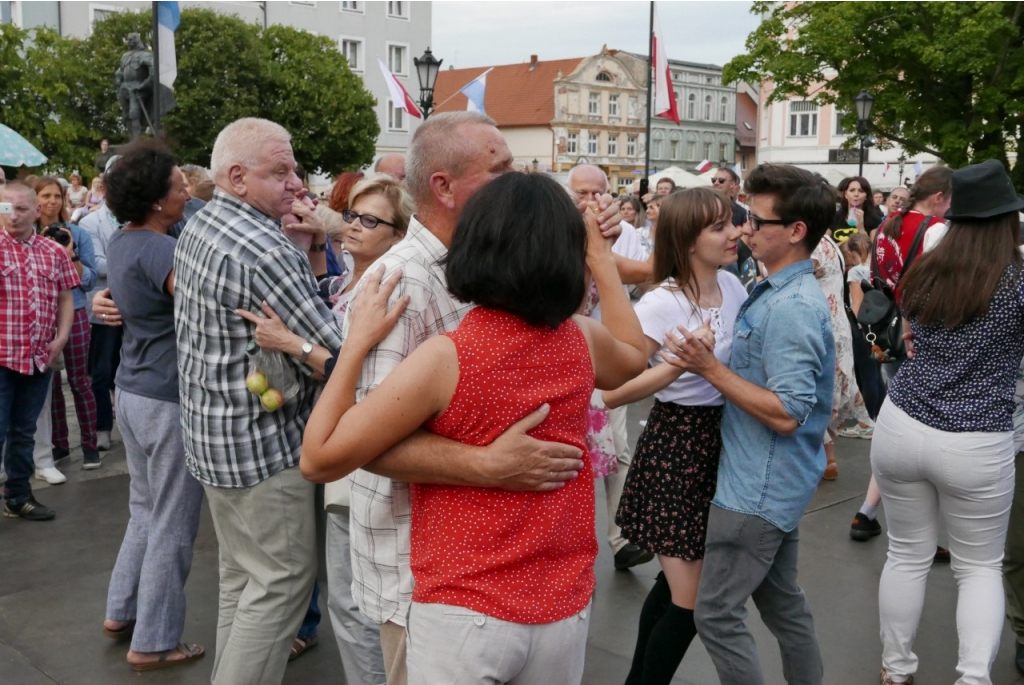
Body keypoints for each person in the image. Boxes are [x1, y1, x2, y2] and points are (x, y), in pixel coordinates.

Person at [300, 113, 618, 685]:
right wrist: (484, 464)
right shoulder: (405, 282)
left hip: (474, 593)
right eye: (499, 170)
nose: (513, 179)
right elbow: (355, 449)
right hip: (437, 585)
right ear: (443, 186)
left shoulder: (489, 331)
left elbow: (329, 449)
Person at [172, 118, 346, 685]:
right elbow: (337, 352)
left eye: (294, 168)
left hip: (215, 438)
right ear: (239, 177)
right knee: (282, 583)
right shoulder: (264, 249)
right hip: (264, 448)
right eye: (282, 171)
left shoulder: (203, 221)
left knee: (242, 582)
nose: (297, 183)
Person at [237, 172, 412, 684]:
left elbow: (358, 376)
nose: (354, 226)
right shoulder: (347, 280)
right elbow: (323, 297)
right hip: (342, 448)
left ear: (400, 235)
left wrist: (292, 344)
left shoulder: (387, 288)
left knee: (356, 601)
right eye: (353, 216)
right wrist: (314, 246)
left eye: (370, 220)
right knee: (351, 595)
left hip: (361, 452)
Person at [664, 163, 836, 685]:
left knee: (715, 616)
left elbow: (787, 413)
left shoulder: (792, 307)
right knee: (786, 609)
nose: (745, 230)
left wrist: (709, 368)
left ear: (796, 232)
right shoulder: (779, 291)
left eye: (756, 221)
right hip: (770, 488)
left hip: (754, 495)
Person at [871, 159, 1024, 685]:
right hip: (977, 438)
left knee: (906, 555)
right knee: (978, 567)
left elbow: (908, 332)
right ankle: (973, 678)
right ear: (1008, 220)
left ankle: (896, 668)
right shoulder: (1018, 284)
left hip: (902, 421)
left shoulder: (924, 272)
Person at [604, 187, 747, 685]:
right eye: (719, 226)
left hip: (722, 442)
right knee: (690, 604)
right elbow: (616, 387)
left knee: (673, 585)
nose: (735, 233)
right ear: (687, 240)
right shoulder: (659, 303)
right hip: (677, 447)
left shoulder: (733, 287)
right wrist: (676, 367)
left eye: (732, 222)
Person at [99, 141, 206, 672]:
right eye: (178, 186)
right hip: (168, 398)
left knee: (144, 509)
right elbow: (199, 306)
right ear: (157, 199)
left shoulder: (123, 241)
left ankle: (121, 611)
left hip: (133, 391)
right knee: (172, 521)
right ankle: (156, 639)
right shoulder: (163, 250)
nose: (186, 191)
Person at [848, 167, 954, 540]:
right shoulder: (935, 229)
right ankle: (928, 532)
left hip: (885, 327)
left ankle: (867, 511)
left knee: (896, 419)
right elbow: (933, 284)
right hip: (915, 331)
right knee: (926, 430)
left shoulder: (891, 221)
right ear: (939, 197)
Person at [569, 164, 653, 572]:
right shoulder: (558, 230)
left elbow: (638, 280)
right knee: (571, 457)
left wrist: (610, 243)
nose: (587, 200)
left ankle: (620, 539)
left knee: (615, 450)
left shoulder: (629, 234)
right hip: (567, 359)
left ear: (608, 195)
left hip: (609, 359)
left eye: (594, 193)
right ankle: (575, 544)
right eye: (579, 193)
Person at [0, 182, 77, 520]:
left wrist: (60, 339)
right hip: (2, 357)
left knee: (23, 431)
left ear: (35, 210)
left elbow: (65, 298)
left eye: (20, 209)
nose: (13, 216)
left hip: (38, 358)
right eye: (6, 208)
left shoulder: (53, 251)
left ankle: (18, 496)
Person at [34, 177, 100, 470]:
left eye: (57, 196)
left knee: (80, 381)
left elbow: (88, 281)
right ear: (35, 200)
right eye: (45, 196)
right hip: (41, 317)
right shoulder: (29, 236)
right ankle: (59, 445)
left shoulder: (77, 233)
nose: (52, 201)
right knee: (50, 386)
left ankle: (90, 445)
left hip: (76, 311)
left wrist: (69, 253)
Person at [812, 234, 874, 480]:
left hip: (823, 328)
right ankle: (828, 459)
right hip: (835, 327)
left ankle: (820, 460)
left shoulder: (815, 246)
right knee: (828, 395)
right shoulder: (827, 242)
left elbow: (792, 274)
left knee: (819, 394)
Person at [832, 175, 884, 241]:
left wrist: (861, 228)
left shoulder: (874, 220)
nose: (856, 194)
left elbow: (871, 248)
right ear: (846, 195)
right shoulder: (834, 217)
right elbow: (824, 244)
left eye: (861, 191)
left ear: (866, 196)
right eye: (852, 190)